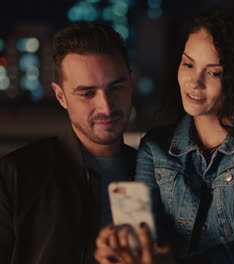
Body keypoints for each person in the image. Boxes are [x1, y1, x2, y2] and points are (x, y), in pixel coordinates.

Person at [95, 7, 234, 264]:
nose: (194, 82)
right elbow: (146, 233)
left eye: (213, 72)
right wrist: (123, 248)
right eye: (188, 64)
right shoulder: (155, 148)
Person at [0, 22, 136, 264]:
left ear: (131, 83)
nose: (106, 106)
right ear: (61, 96)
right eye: (87, 93)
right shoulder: (15, 177)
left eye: (116, 88)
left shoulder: (157, 173)